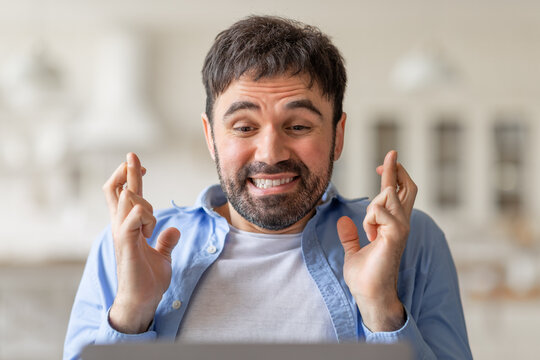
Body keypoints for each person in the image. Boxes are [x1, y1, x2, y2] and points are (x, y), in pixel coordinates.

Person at [64, 16, 472, 360]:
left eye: (298, 126)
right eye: (244, 127)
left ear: (338, 134)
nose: (271, 152)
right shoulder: (130, 247)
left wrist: (381, 309)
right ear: (211, 137)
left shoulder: (411, 242)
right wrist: (131, 312)